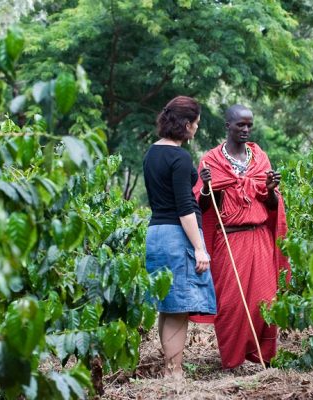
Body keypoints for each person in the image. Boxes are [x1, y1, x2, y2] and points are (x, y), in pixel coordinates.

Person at [190, 104, 290, 369]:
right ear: (228, 126)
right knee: (231, 305)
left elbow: (271, 206)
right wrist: (208, 188)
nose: (246, 130)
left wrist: (270, 191)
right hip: (229, 240)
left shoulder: (260, 159)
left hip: (260, 238)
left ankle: (262, 358)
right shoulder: (211, 161)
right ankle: (232, 361)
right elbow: (201, 206)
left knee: (265, 300)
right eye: (240, 125)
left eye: (249, 125)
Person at [143, 96, 216, 378]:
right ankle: (174, 372)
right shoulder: (180, 156)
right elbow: (185, 207)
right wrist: (199, 248)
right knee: (178, 308)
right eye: (196, 123)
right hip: (177, 234)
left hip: (156, 233)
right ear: (186, 124)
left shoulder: (152, 152)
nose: (196, 128)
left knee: (167, 304)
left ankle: (169, 368)